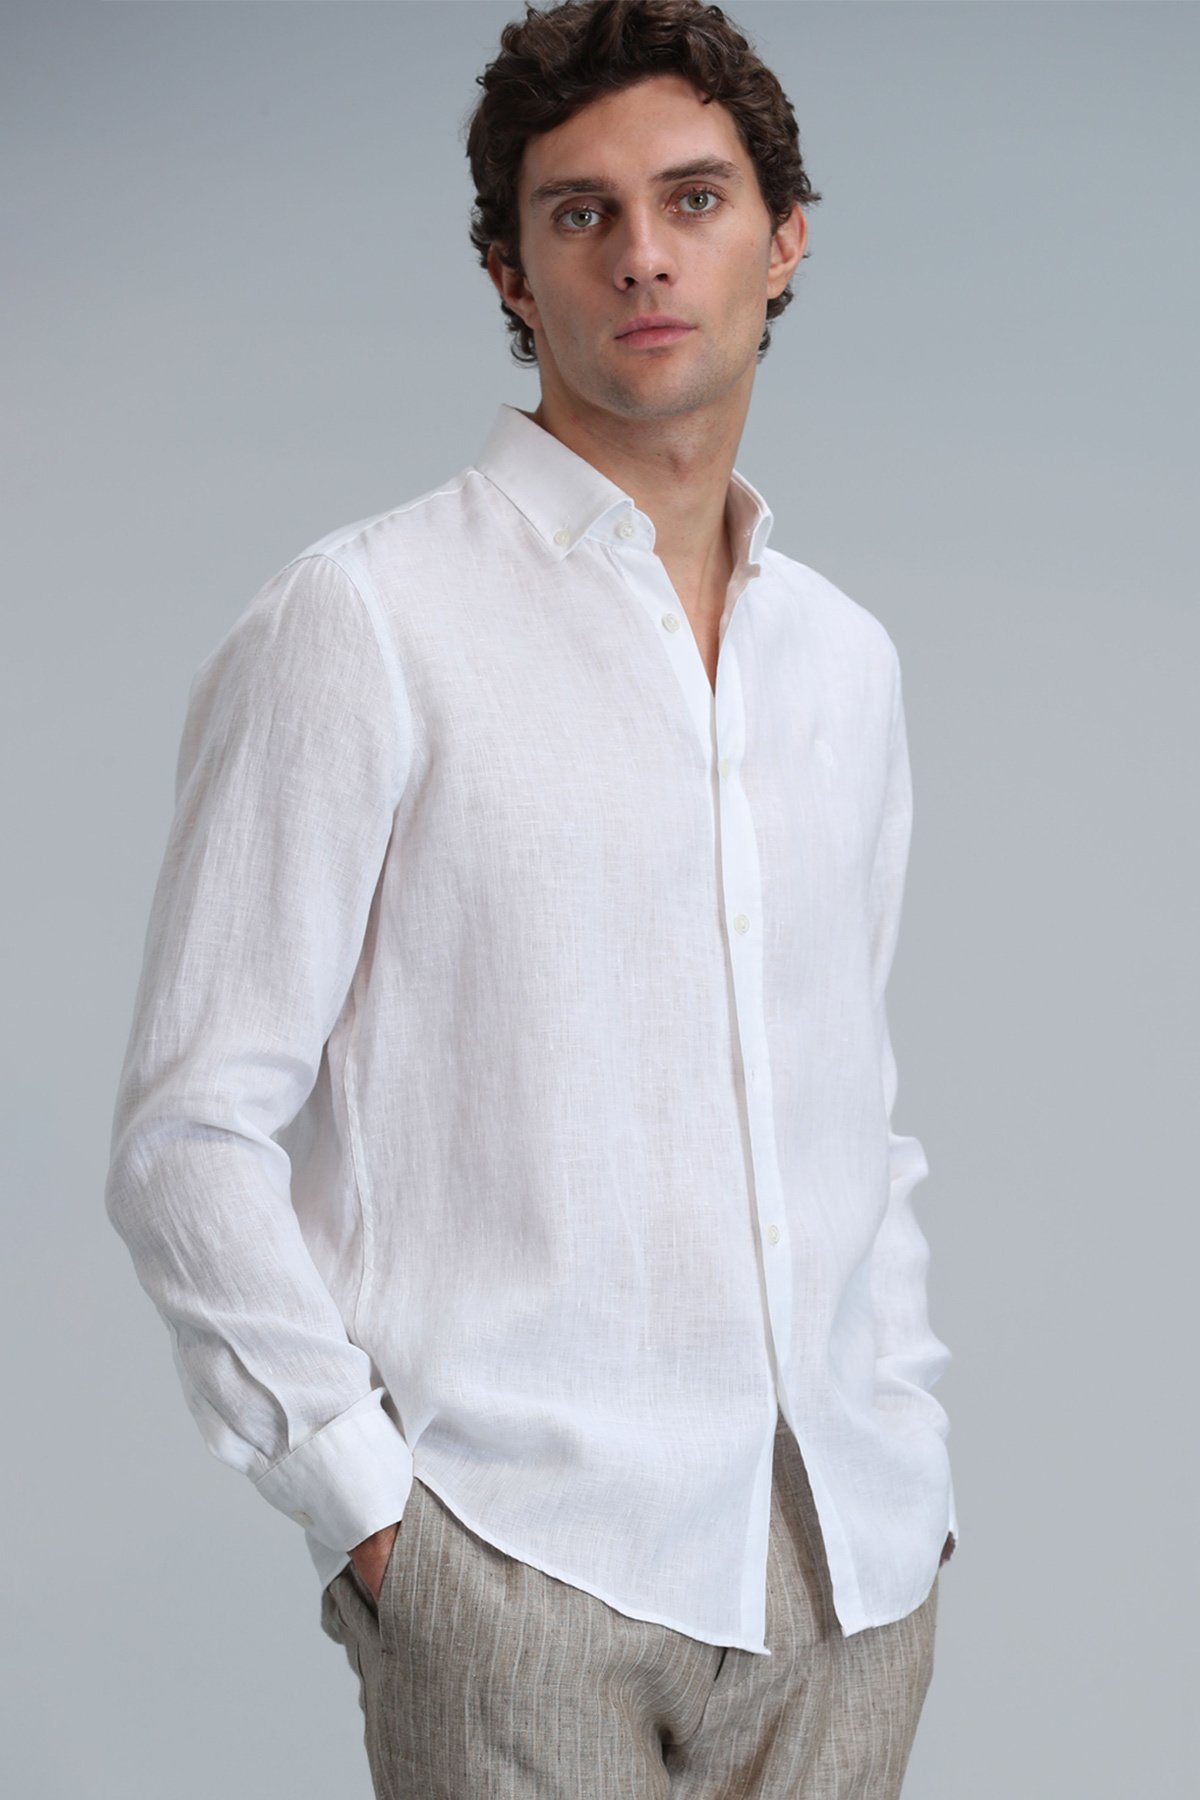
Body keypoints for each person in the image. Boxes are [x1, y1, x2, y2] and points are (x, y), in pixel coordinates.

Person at [104, 1, 957, 1794]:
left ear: (785, 239)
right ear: (511, 269)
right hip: (515, 1562)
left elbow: (847, 1105)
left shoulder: (846, 665)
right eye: (582, 213)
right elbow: (189, 1133)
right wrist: (372, 1519)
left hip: (847, 1570)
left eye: (694, 199)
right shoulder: (367, 622)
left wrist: (908, 1439)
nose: (643, 254)